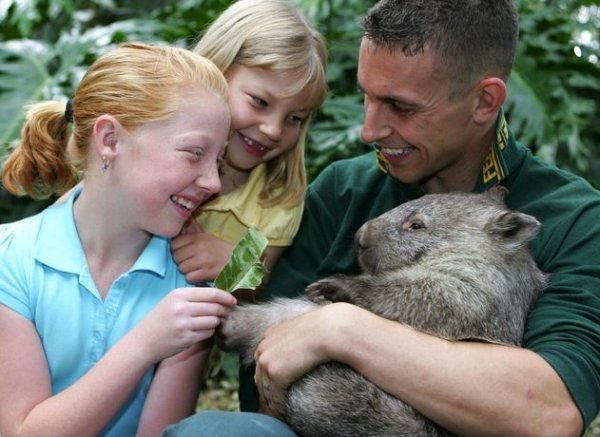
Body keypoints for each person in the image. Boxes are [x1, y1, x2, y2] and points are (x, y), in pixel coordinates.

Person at [165, 0, 600, 436]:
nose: (369, 131)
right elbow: (267, 369)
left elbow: (550, 414)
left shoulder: (574, 220)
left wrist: (343, 330)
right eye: (367, 97)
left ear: (484, 101)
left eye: (400, 107)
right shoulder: (344, 189)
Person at [0, 43, 238, 436]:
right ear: (109, 140)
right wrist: (146, 342)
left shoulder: (189, 282)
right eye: (194, 153)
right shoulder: (12, 260)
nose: (213, 182)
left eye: (218, 160)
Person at [170, 0, 328, 291]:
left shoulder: (279, 200)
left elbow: (262, 292)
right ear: (215, 70)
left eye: (295, 118)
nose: (273, 129)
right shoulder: (153, 149)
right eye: (260, 102)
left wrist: (238, 267)